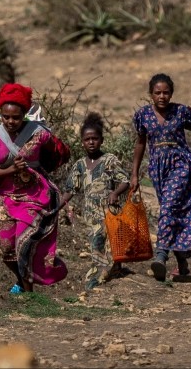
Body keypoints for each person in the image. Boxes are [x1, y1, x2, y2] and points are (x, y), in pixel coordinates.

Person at [130, 74, 191, 281]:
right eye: (157, 93)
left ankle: (161, 254)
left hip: (182, 165)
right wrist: (134, 174)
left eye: (166, 92)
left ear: (171, 93)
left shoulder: (182, 112)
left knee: (168, 208)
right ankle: (182, 262)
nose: (162, 96)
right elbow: (140, 144)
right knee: (173, 214)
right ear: (151, 94)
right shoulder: (143, 116)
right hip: (158, 169)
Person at [0, 83, 71, 293]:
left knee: (24, 244)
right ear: (0, 114)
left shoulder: (39, 134)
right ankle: (21, 281)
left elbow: (63, 152)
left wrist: (42, 167)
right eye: (5, 117)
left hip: (35, 195)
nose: (10, 122)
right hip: (7, 197)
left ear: (24, 115)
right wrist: (10, 169)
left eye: (16, 117)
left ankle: (29, 297)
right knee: (5, 249)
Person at [59, 112, 130, 290]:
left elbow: (125, 181)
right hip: (90, 214)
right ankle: (104, 275)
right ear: (82, 142)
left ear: (102, 140)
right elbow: (69, 190)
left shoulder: (109, 160)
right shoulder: (80, 165)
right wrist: (55, 207)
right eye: (87, 139)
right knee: (96, 244)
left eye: (95, 138)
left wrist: (115, 193)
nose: (91, 142)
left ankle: (99, 278)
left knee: (109, 243)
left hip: (109, 210)